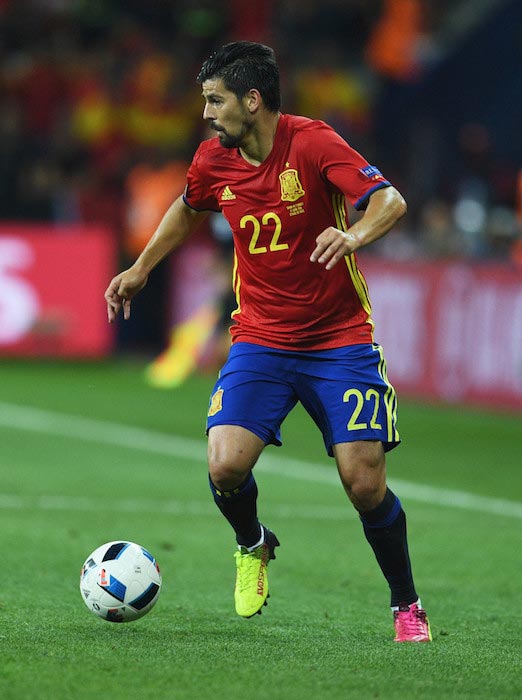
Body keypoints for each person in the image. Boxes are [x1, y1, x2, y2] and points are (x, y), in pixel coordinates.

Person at [105, 41, 431, 643]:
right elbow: (187, 206)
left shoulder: (312, 143)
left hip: (339, 340)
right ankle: (253, 543)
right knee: (226, 465)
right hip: (260, 339)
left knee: (363, 482)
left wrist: (354, 235)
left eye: (215, 100)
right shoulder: (214, 159)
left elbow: (390, 200)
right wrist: (143, 266)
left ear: (252, 101)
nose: (206, 113)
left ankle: (406, 604)